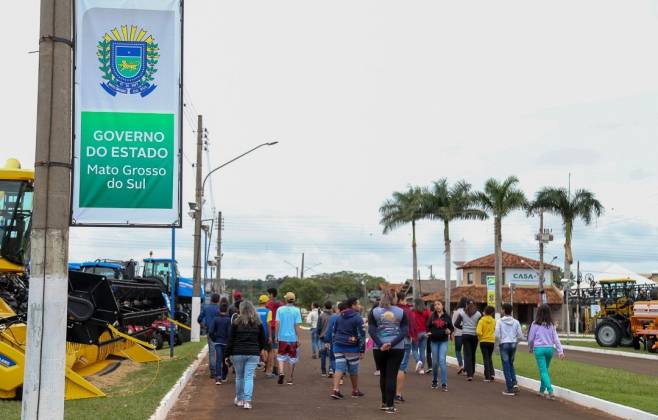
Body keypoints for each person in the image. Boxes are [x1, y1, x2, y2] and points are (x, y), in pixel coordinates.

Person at [368, 290, 408, 414]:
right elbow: (404, 331)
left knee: (384, 375)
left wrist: (381, 344)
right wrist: (392, 343)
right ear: (395, 299)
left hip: (379, 348)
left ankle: (384, 402)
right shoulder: (401, 312)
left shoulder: (374, 312)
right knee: (392, 376)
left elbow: (371, 330)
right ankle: (390, 406)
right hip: (397, 347)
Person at [225, 300, 267, 410]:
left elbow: (231, 340)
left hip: (237, 353)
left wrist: (226, 355)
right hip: (253, 353)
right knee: (249, 377)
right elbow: (263, 339)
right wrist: (262, 349)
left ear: (241, 309)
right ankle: (247, 401)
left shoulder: (236, 322)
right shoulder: (258, 323)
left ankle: (240, 399)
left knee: (239, 377)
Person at [325, 297, 366, 399]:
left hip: (338, 346)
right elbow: (362, 335)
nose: (359, 306)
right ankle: (355, 390)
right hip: (352, 347)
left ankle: (335, 390)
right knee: (353, 370)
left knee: (339, 368)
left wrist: (333, 342)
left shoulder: (339, 317)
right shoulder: (357, 318)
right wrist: (362, 350)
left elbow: (334, 331)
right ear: (353, 305)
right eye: (358, 304)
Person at [528, 304, 565, 400]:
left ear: (538, 312)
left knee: (543, 371)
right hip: (549, 349)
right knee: (545, 371)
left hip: (539, 349)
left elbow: (531, 338)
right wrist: (560, 351)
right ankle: (541, 391)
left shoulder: (535, 323)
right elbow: (556, 339)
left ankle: (550, 391)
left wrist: (530, 348)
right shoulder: (551, 325)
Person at [495, 303, 524, 396]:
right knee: (511, 364)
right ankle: (514, 383)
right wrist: (515, 342)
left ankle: (509, 388)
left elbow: (497, 335)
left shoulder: (499, 321)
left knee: (506, 366)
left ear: (503, 310)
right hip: (513, 344)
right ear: (511, 311)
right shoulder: (516, 322)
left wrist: (498, 344)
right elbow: (520, 336)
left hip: (504, 344)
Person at [275, 291, 303, 385]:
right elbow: (296, 325)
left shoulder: (280, 309)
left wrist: (276, 336)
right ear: (293, 300)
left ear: (285, 299)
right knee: (292, 358)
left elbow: (277, 323)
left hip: (282, 337)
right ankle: (290, 378)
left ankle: (282, 372)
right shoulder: (296, 310)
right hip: (292, 338)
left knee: (281, 357)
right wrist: (298, 338)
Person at [427, 300, 454, 391]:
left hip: (443, 341)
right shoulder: (432, 316)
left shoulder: (447, 316)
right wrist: (428, 332)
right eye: (435, 305)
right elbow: (427, 327)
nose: (437, 306)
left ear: (442, 306)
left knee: (442, 360)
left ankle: (444, 383)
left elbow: (451, 327)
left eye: (438, 304)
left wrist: (449, 331)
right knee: (435, 363)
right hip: (434, 341)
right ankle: (434, 380)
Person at [395, 293, 416, 403]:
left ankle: (388, 393)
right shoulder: (407, 311)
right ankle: (398, 394)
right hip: (405, 339)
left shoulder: (391, 310)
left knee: (391, 367)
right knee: (401, 367)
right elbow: (412, 325)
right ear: (402, 300)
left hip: (391, 340)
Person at [456, 298, 481, 381]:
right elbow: (480, 324)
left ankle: (469, 374)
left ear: (466, 304)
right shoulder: (478, 314)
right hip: (474, 336)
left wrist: (462, 328)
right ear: (475, 304)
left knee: (467, 354)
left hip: (465, 335)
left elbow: (456, 324)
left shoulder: (462, 313)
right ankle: (472, 372)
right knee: (473, 354)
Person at [197, 293, 220, 378]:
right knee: (220, 351)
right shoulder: (219, 308)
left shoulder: (206, 308)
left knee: (212, 352)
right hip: (220, 333)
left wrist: (203, 325)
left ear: (211, 299)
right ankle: (219, 371)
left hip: (210, 332)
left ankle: (213, 371)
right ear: (218, 300)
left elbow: (199, 319)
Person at [208, 301, 232, 384]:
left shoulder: (215, 319)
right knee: (224, 360)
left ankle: (218, 378)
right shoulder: (229, 320)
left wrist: (214, 339)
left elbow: (210, 331)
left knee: (218, 360)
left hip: (217, 342)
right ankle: (224, 376)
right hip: (225, 342)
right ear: (227, 310)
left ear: (219, 310)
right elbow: (229, 333)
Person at [477, 306, 496, 382]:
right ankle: (492, 374)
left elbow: (478, 331)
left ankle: (487, 376)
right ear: (492, 313)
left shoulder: (481, 320)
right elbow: (495, 330)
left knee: (486, 358)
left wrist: (481, 336)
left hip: (483, 341)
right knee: (489, 357)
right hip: (491, 341)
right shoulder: (494, 321)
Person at [411, 298, 430, 375]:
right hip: (425, 333)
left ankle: (418, 361)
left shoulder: (413, 311)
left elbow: (411, 322)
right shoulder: (427, 311)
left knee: (414, 349)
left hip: (416, 333)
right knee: (422, 350)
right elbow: (430, 321)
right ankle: (422, 369)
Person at [266, 288, 282, 375]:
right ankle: (275, 369)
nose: (268, 295)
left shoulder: (268, 303)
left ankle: (269, 368)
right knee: (276, 349)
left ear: (271, 294)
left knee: (270, 350)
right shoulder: (280, 303)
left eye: (269, 294)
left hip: (270, 328)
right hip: (277, 327)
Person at [256, 295, 273, 376]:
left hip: (256, 334)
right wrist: (270, 336)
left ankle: (253, 372)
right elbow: (268, 324)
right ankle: (268, 371)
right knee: (269, 351)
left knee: (256, 351)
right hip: (265, 334)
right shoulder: (268, 311)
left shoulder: (255, 311)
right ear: (266, 302)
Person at [317, 301, 334, 376]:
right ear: (331, 307)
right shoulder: (334, 316)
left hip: (323, 337)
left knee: (323, 354)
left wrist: (319, 334)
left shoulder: (321, 316)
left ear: (324, 306)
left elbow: (319, 327)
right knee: (331, 354)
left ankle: (323, 371)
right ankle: (331, 369)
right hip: (331, 337)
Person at [452, 297, 468, 375]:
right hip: (466, 333)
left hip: (458, 334)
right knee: (465, 351)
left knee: (458, 350)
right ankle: (466, 368)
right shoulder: (468, 312)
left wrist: (452, 334)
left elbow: (453, 324)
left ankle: (461, 365)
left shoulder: (456, 312)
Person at [425, 302, 435, 375]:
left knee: (428, 351)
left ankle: (430, 366)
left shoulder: (429, 315)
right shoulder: (438, 315)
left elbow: (427, 325)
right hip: (437, 335)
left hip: (429, 334)